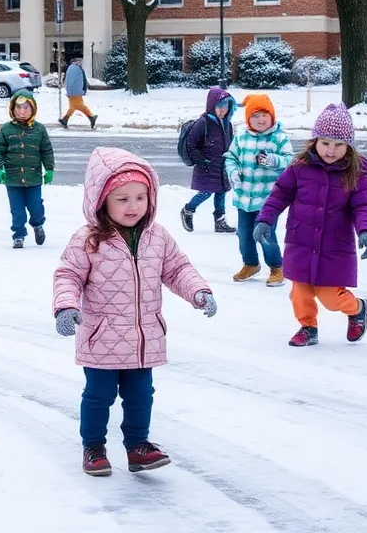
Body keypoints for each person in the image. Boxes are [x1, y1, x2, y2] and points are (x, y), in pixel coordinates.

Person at [53, 147, 217, 476]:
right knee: (99, 396)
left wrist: (198, 290)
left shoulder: (157, 237)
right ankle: (94, 446)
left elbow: (177, 269)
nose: (133, 207)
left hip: (145, 338)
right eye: (123, 199)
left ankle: (137, 446)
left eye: (140, 198)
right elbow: (68, 274)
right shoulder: (88, 240)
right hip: (102, 339)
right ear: (102, 200)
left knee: (141, 395)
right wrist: (66, 306)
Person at [255, 104, 367, 347]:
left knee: (331, 297)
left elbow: (362, 205)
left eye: (338, 145)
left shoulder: (355, 172)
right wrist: (265, 218)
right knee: (299, 292)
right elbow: (280, 194)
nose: (331, 150)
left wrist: (365, 231)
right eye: (325, 143)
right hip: (301, 240)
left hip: (334, 245)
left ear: (349, 146)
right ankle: (308, 327)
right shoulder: (299, 167)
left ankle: (359, 308)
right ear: (314, 141)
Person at [223, 94, 293, 286]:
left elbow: (290, 161)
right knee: (244, 234)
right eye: (255, 116)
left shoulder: (279, 138)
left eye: (264, 115)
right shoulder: (241, 137)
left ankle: (277, 267)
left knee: (265, 233)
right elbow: (231, 157)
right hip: (243, 196)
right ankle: (251, 263)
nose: (260, 120)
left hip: (268, 199)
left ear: (272, 116)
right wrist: (233, 172)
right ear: (248, 119)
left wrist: (273, 160)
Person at [0, 90, 55, 248]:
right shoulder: (6, 130)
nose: (22, 111)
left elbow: (46, 151)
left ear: (33, 109)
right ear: (12, 109)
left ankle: (38, 224)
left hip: (33, 178)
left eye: (26, 107)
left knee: (35, 206)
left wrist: (49, 169)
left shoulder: (39, 130)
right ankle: (19, 235)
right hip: (12, 180)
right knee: (17, 210)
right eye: (18, 107)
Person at [179, 87, 236, 234]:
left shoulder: (227, 124)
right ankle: (188, 210)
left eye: (226, 106)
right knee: (206, 192)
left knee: (221, 192)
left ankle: (220, 221)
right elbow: (191, 143)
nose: (223, 110)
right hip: (206, 165)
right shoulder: (203, 123)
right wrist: (202, 161)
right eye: (220, 106)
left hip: (222, 165)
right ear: (212, 106)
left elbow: (230, 144)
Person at [58, 58, 96, 130]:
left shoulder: (73, 68)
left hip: (75, 90)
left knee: (74, 106)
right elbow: (71, 81)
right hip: (75, 91)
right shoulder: (75, 69)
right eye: (78, 61)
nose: (80, 62)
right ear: (75, 61)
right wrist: (71, 91)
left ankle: (65, 119)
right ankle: (91, 117)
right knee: (78, 105)